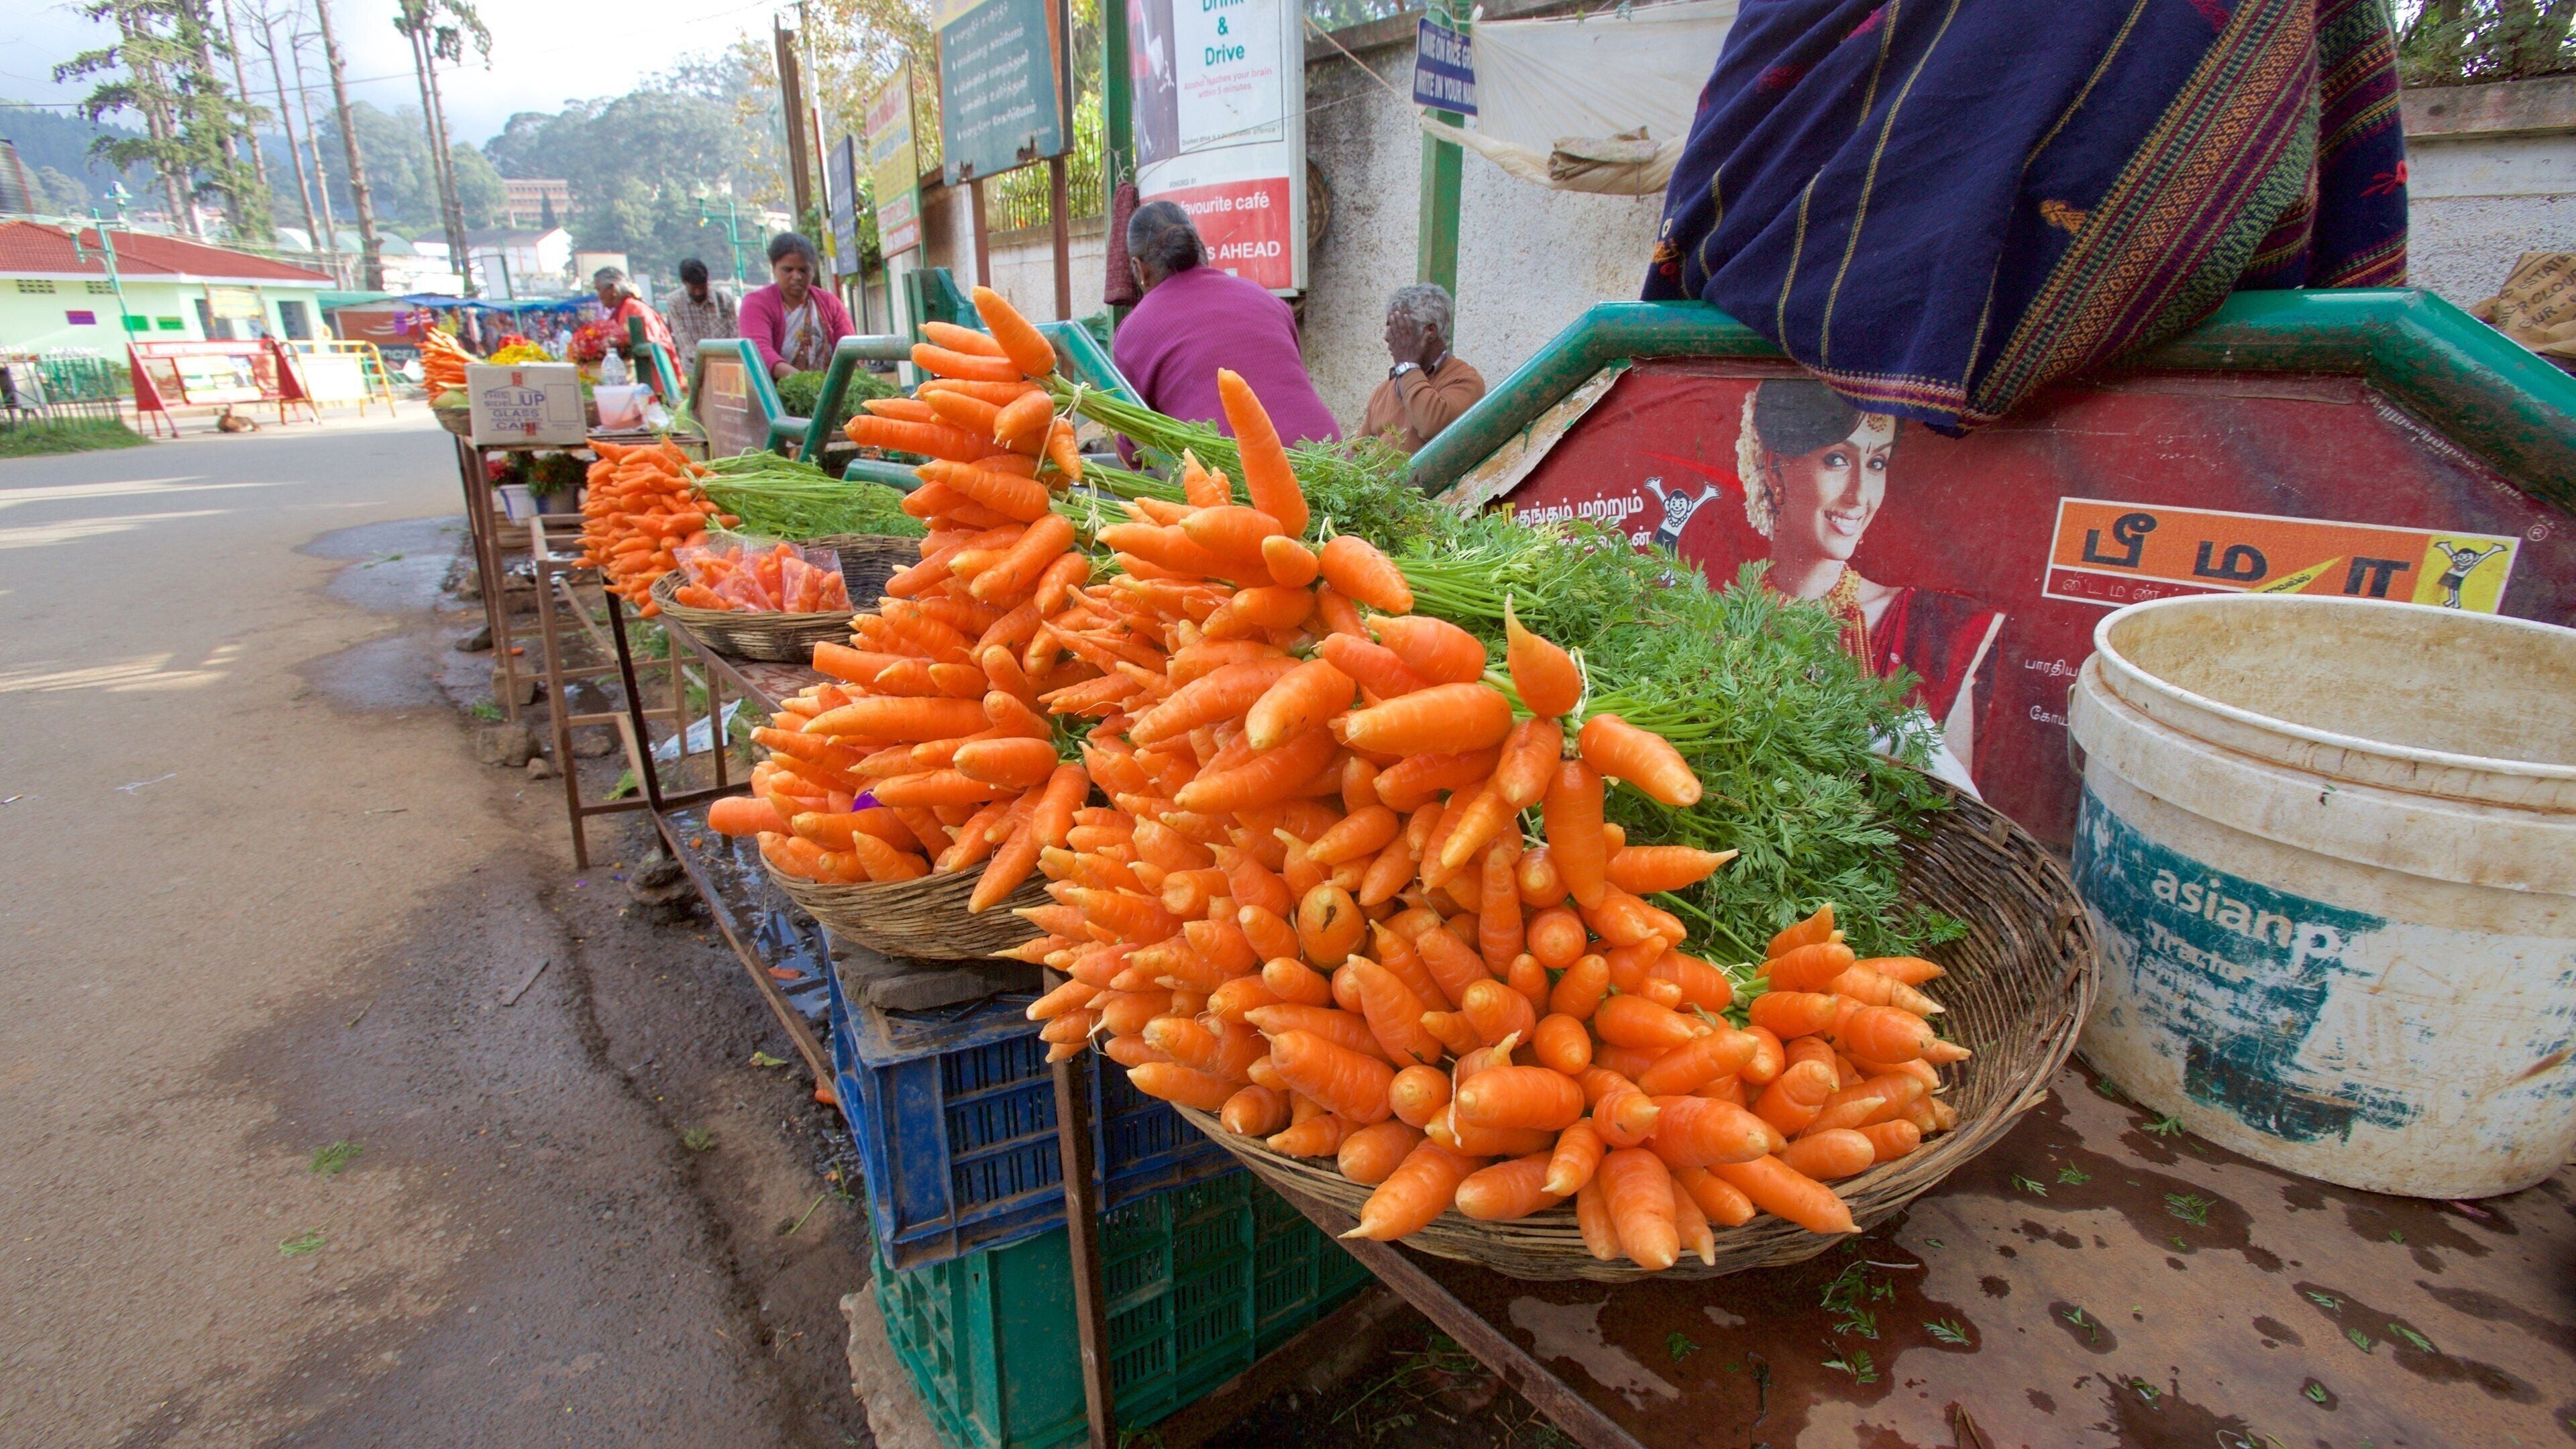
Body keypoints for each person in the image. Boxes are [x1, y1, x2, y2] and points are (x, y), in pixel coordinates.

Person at [1735, 378, 2002, 794]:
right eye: (1838, 460)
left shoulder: (1932, 631)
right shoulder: (1719, 624)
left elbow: (1952, 823)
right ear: (1775, 468)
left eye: (1877, 463)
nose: (1860, 495)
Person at [1111, 201, 1339, 451]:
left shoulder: (1135, 330)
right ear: (1201, 250)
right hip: (1329, 460)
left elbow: (1137, 445)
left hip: (1239, 474)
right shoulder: (1267, 299)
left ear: (1140, 268)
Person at [1361, 283, 1484, 455]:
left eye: (1400, 330)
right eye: (1389, 326)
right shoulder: (1383, 391)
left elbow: (1432, 427)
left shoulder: (1464, 379)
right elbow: (1356, 455)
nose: (1388, 338)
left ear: (1431, 332)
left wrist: (1407, 365)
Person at [739, 232, 852, 381]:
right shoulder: (756, 304)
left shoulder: (830, 304)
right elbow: (759, 351)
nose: (796, 277)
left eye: (803, 270)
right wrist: (803, 381)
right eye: (788, 270)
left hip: (827, 393)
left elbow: (849, 349)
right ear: (774, 268)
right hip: (774, 395)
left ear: (813, 270)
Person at [663, 258, 738, 367]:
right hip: (694, 366)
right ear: (684, 283)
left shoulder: (724, 299)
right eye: (694, 288)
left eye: (702, 288)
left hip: (725, 364)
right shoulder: (675, 302)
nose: (698, 292)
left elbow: (735, 333)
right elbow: (682, 337)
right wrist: (702, 362)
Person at [591, 266, 675, 356]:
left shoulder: (635, 309)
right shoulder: (622, 309)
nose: (599, 296)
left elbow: (651, 348)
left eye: (599, 290)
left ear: (613, 289)